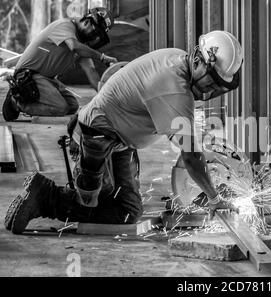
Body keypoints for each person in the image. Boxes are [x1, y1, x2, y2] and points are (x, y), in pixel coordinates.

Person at [5, 30, 243, 234]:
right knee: (91, 202)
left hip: (120, 139)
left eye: (217, 88)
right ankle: (42, 196)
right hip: (98, 135)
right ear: (199, 60)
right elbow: (190, 154)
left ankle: (56, 193)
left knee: (128, 212)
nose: (210, 91)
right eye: (210, 82)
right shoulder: (174, 89)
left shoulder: (177, 58)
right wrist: (214, 197)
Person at [2, 7, 118, 122]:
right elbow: (73, 45)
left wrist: (109, 100)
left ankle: (32, 99)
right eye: (94, 32)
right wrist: (102, 57)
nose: (94, 37)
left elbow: (91, 73)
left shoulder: (81, 46)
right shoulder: (65, 26)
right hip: (28, 75)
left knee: (72, 106)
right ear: (87, 21)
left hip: (47, 79)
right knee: (61, 108)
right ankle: (16, 102)